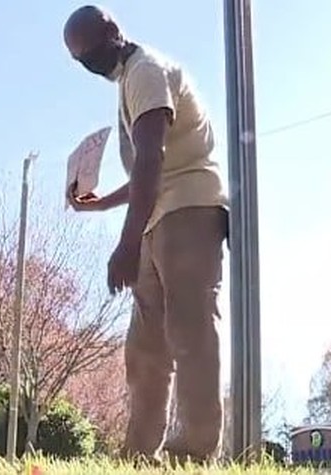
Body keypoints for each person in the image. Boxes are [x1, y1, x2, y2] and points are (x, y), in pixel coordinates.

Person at [62, 5, 230, 465]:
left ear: (114, 32)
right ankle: (139, 454)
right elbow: (145, 173)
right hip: (157, 215)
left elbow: (153, 159)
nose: (89, 63)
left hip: (188, 211)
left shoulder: (146, 72)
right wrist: (101, 204)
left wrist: (126, 242)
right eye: (81, 60)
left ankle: (194, 449)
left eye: (91, 51)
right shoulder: (129, 79)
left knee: (189, 328)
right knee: (146, 347)